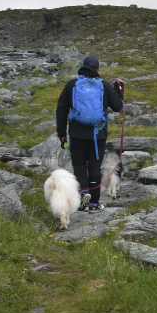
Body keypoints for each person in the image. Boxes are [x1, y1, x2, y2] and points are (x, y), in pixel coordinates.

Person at [55, 55, 124, 211]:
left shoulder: (72, 85)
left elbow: (62, 109)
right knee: (94, 167)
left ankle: (82, 192)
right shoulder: (105, 86)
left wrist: (62, 132)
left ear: (83, 67)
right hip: (98, 134)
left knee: (78, 164)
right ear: (98, 69)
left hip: (77, 132)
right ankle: (94, 203)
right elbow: (118, 106)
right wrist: (120, 90)